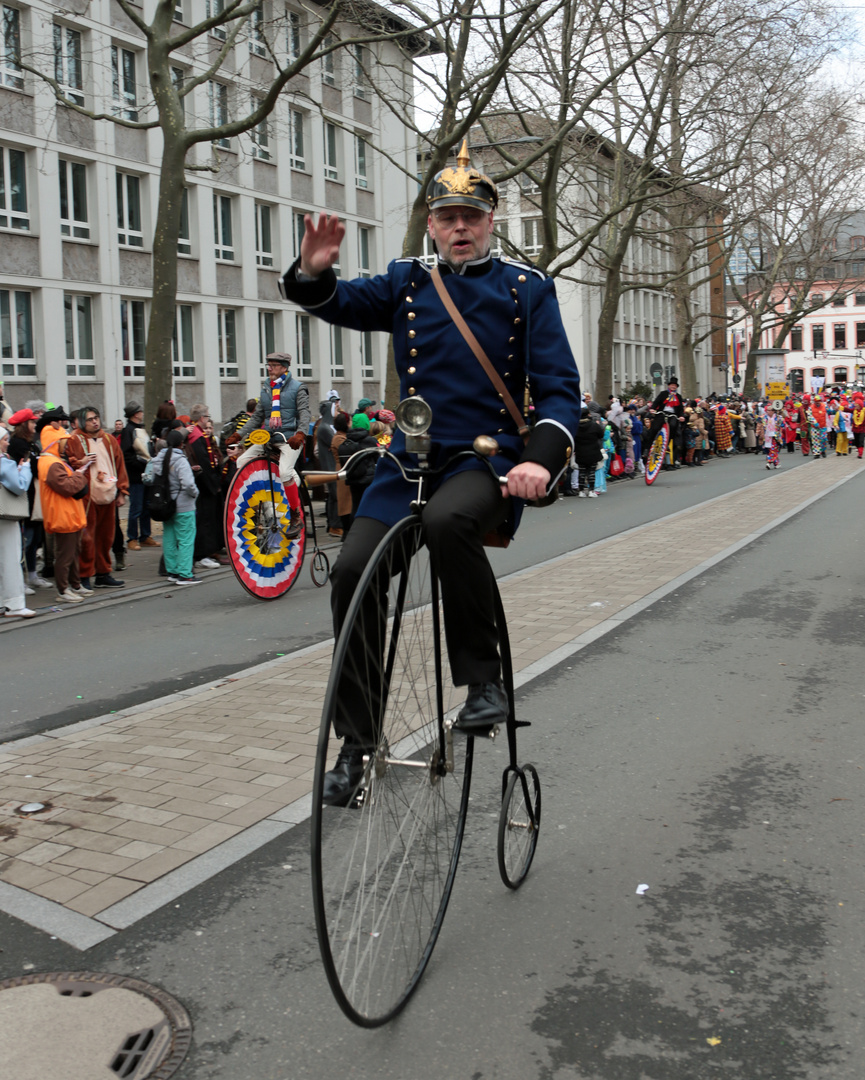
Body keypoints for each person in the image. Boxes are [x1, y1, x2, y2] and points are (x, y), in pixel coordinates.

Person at [279, 138, 581, 804]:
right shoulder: (408, 281)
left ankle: (484, 684)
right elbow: (342, 304)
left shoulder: (525, 290)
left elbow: (559, 389)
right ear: (432, 225)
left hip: (484, 455)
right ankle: (356, 744)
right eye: (446, 217)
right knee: (354, 571)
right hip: (408, 457)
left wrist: (538, 460)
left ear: (490, 221)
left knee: (448, 524)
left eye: (469, 217)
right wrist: (313, 269)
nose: (458, 228)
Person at [232, 352, 310, 540]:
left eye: (273, 365)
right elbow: (258, 416)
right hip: (269, 438)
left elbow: (305, 413)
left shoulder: (298, 388)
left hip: (290, 439)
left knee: (284, 472)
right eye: (268, 365)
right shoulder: (267, 387)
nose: (269, 368)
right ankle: (260, 503)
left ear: (284, 367)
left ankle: (295, 516)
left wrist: (300, 434)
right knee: (242, 461)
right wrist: (238, 435)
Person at [64, 406, 129, 589]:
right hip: (87, 496)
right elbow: (68, 464)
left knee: (106, 536)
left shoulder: (108, 439)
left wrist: (122, 491)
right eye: (91, 419)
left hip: (108, 493)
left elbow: (119, 464)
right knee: (87, 538)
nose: (95, 422)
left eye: (97, 418)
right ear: (82, 422)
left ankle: (103, 573)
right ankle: (84, 576)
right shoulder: (74, 440)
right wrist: (81, 462)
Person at [37, 428, 92, 603]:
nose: (66, 445)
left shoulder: (54, 461)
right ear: (55, 443)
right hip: (63, 516)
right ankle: (63, 590)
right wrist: (79, 476)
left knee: (73, 553)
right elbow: (67, 487)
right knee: (65, 556)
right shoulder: (51, 464)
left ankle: (75, 585)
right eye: (63, 441)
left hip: (69, 515)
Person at [151, 429, 201, 585]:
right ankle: (185, 573)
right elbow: (188, 484)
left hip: (165, 505)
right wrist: (195, 493)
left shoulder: (158, 459)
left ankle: (172, 571)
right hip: (184, 505)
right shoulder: (180, 460)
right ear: (181, 444)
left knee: (169, 538)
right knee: (186, 539)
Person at [0, 424, 37, 618]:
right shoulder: (3, 462)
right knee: (11, 559)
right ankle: (14, 604)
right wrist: (25, 469)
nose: (7, 444)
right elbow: (19, 485)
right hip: (5, 517)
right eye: (4, 440)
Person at [187, 406, 223, 569]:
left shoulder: (195, 434)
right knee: (204, 521)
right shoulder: (197, 437)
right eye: (207, 417)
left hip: (202, 485)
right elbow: (204, 465)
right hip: (204, 487)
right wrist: (214, 484)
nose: (208, 420)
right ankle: (202, 555)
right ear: (202, 418)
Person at [120, 400, 158, 552]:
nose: (142, 413)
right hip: (136, 476)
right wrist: (142, 464)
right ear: (136, 414)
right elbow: (127, 455)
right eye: (140, 411)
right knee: (136, 508)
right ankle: (132, 538)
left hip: (145, 474)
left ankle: (145, 536)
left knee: (145, 507)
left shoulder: (139, 429)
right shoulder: (128, 430)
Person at [646, 378, 685, 467]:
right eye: (672, 385)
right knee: (655, 427)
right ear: (669, 386)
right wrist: (652, 409)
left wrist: (681, 416)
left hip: (673, 414)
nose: (673, 387)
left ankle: (667, 443)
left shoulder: (678, 396)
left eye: (675, 386)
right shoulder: (663, 394)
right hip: (662, 413)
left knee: (673, 425)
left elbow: (680, 409)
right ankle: (647, 447)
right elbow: (656, 402)